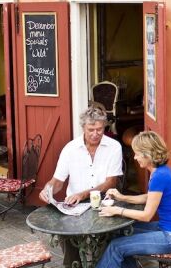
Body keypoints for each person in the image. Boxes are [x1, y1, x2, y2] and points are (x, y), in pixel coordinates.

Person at [39, 106, 123, 267]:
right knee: (66, 233)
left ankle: (104, 263)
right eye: (91, 129)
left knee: (108, 238)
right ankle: (73, 264)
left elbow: (111, 182)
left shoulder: (114, 147)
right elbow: (57, 181)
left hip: (104, 201)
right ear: (83, 127)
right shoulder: (70, 149)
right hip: (75, 205)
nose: (95, 134)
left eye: (100, 129)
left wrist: (83, 194)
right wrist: (47, 189)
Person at [96, 131, 171, 268]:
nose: (135, 157)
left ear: (148, 154)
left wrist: (117, 210)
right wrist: (122, 197)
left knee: (116, 247)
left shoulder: (159, 176)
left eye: (137, 153)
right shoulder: (162, 171)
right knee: (120, 232)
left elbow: (147, 216)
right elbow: (150, 197)